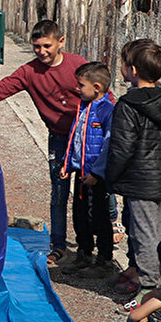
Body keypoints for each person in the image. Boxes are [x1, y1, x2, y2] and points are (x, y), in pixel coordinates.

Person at [0, 19, 88, 266]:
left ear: (61, 42)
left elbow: (103, 92)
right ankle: (59, 246)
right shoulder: (30, 72)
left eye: (47, 45)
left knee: (90, 192)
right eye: (37, 46)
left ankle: (93, 246)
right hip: (58, 139)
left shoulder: (78, 66)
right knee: (59, 194)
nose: (42, 52)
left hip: (84, 139)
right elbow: (1, 90)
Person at [104, 39, 161, 297]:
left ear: (133, 70)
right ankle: (152, 278)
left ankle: (149, 290)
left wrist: (111, 177)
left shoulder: (128, 107)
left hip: (141, 183)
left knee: (143, 237)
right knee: (158, 236)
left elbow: (121, 148)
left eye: (124, 64)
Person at [59, 61, 115, 273]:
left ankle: (104, 259)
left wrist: (97, 172)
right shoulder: (82, 108)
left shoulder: (107, 111)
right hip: (80, 174)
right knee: (79, 215)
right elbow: (75, 137)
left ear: (97, 87)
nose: (77, 89)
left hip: (95, 177)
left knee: (99, 218)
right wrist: (67, 164)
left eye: (81, 85)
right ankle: (84, 253)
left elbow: (109, 144)